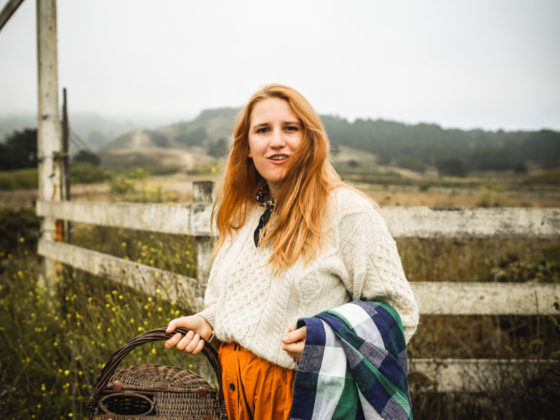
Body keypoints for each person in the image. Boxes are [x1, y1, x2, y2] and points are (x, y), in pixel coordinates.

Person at [165, 84, 419, 419]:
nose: (276, 141)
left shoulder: (348, 213)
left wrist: (327, 343)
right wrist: (208, 322)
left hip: (302, 400)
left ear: (310, 139)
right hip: (234, 396)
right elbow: (238, 301)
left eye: (290, 128)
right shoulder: (243, 213)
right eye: (262, 130)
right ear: (247, 147)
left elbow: (399, 314)